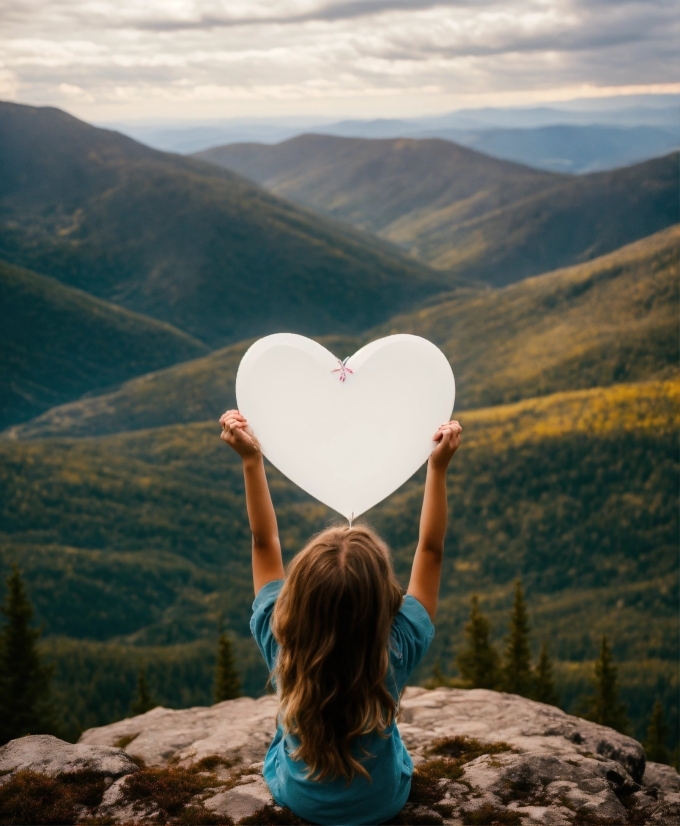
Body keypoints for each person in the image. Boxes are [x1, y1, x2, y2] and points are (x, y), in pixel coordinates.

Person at [219, 409, 462, 825]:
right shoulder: (396, 647)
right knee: (392, 744)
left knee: (283, 744)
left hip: (302, 799)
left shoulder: (282, 638)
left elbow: (264, 542)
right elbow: (431, 550)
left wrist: (251, 460)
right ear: (381, 601)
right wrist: (436, 468)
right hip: (383, 802)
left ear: (298, 599)